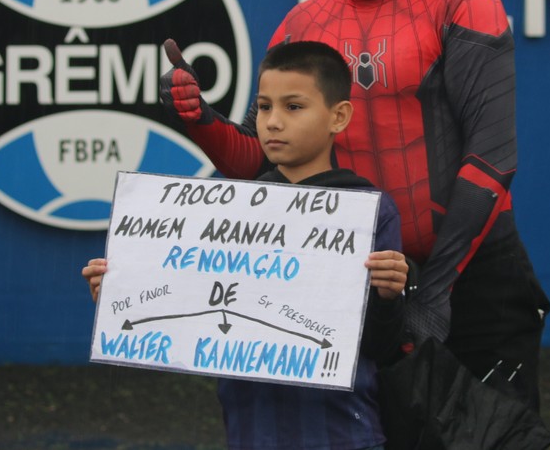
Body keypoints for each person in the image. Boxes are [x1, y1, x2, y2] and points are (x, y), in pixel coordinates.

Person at [159, 0, 550, 411]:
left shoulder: (464, 1)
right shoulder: (303, 23)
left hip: (476, 274)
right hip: (358, 274)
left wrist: (438, 286)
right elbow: (260, 156)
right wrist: (198, 119)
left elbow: (493, 154)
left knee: (492, 434)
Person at [85, 40, 410, 450]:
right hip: (249, 430)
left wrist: (388, 295)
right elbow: (194, 309)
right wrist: (123, 294)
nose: (273, 122)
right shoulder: (229, 211)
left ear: (339, 116)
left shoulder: (371, 212)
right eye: (264, 107)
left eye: (293, 107)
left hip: (342, 433)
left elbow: (381, 348)